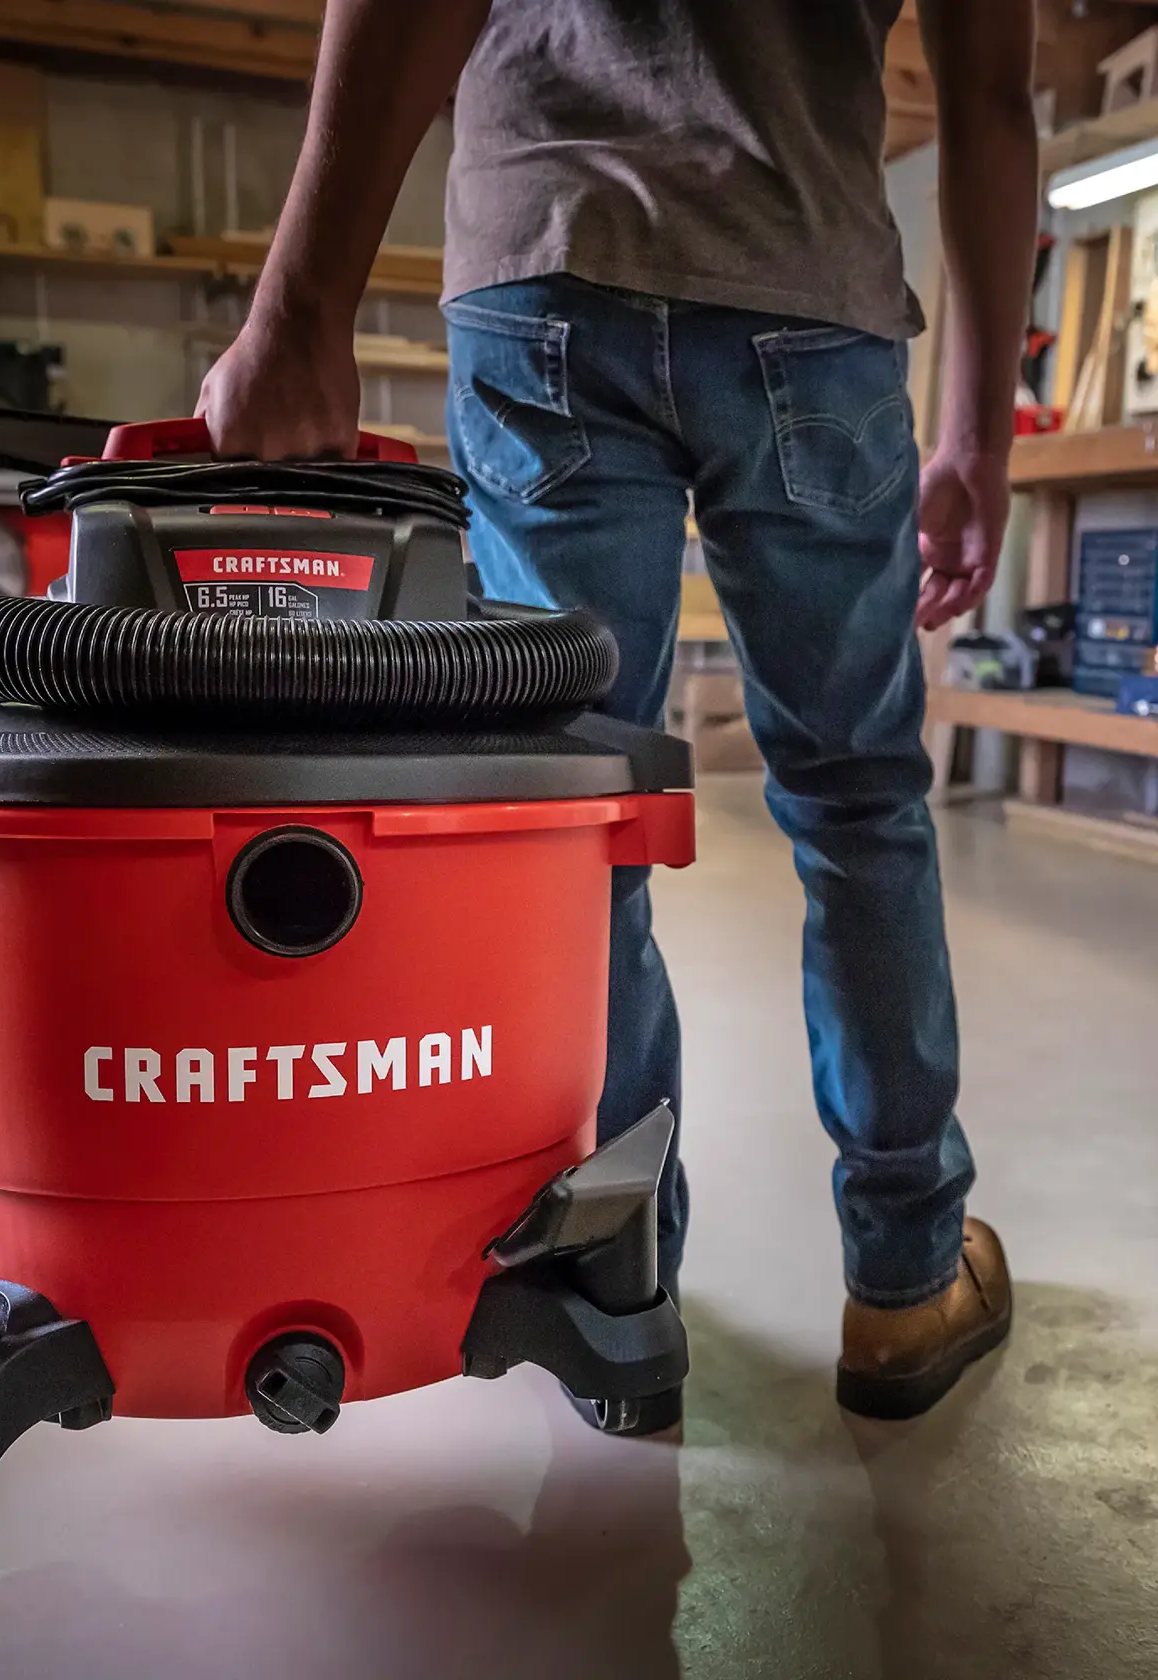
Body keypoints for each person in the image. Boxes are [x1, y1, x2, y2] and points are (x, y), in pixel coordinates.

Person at [198, 0, 1034, 1429]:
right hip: (806, 294)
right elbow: (993, 95)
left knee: (583, 818)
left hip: (550, 273)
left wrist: (300, 308)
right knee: (857, 804)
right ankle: (904, 1281)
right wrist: (973, 435)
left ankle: (616, 1295)